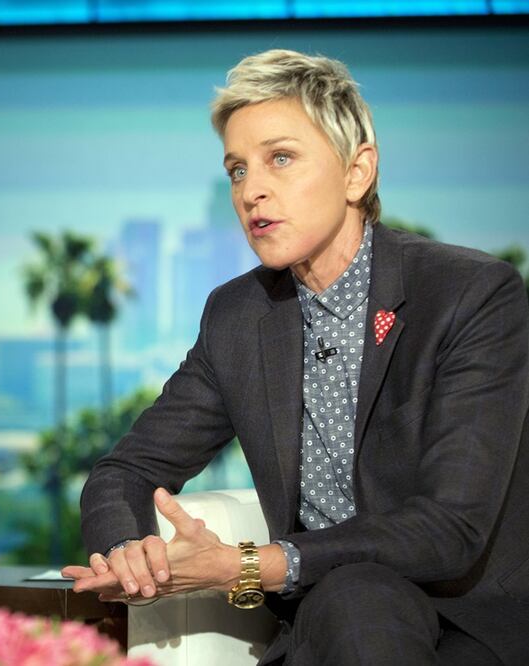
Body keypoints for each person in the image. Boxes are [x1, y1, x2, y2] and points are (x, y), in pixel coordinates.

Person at [63, 49, 529, 665]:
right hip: (334, 615)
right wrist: (130, 548)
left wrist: (248, 565)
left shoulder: (471, 294)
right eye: (235, 170)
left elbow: (450, 526)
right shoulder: (238, 317)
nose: (252, 190)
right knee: (358, 599)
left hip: (470, 621)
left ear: (357, 172)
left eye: (280, 158)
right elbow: (124, 472)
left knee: (364, 596)